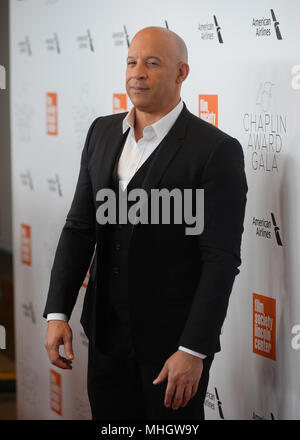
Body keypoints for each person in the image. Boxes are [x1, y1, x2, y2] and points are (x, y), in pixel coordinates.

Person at [43, 26, 248, 420]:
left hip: (172, 352)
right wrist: (57, 313)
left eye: (152, 63)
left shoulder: (215, 151)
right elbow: (79, 228)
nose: (138, 72)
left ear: (181, 73)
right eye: (132, 61)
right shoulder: (102, 131)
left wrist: (193, 350)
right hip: (104, 340)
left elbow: (220, 259)